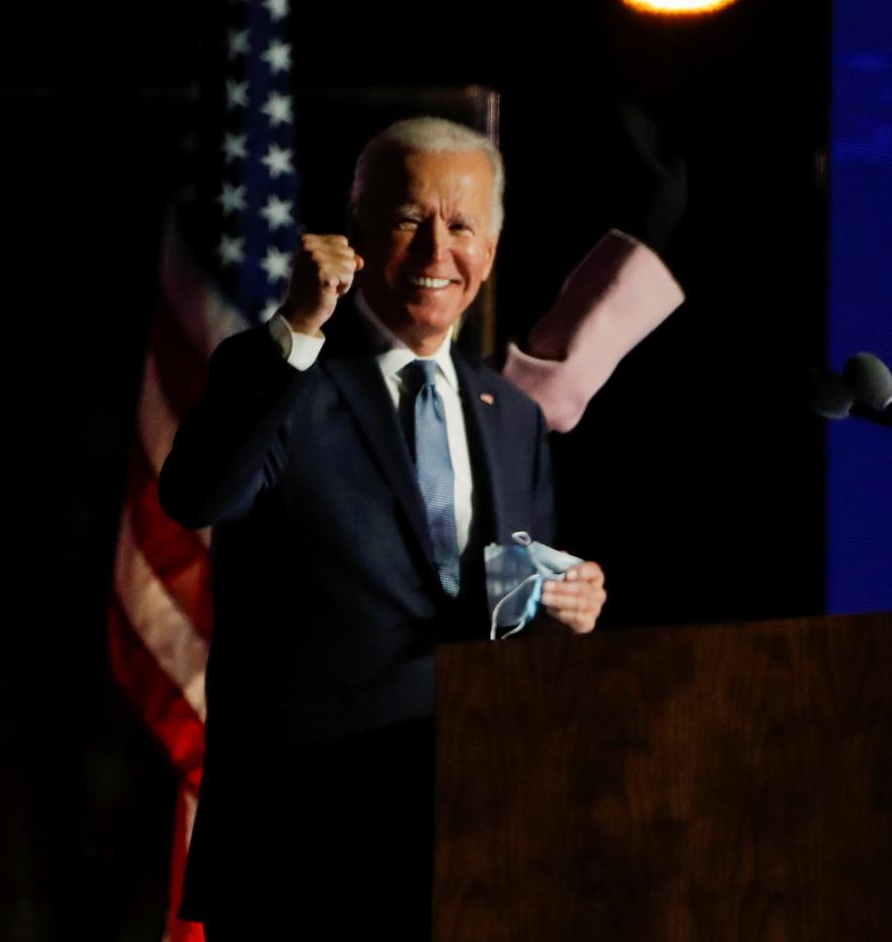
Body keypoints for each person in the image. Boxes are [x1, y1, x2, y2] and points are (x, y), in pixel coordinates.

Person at [159, 117, 608, 938]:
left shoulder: (510, 416)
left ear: (493, 250)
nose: (438, 251)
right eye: (409, 220)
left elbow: (508, 618)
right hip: (301, 856)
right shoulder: (283, 375)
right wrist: (296, 328)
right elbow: (196, 496)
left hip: (473, 839)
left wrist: (565, 606)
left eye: (462, 225)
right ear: (356, 234)